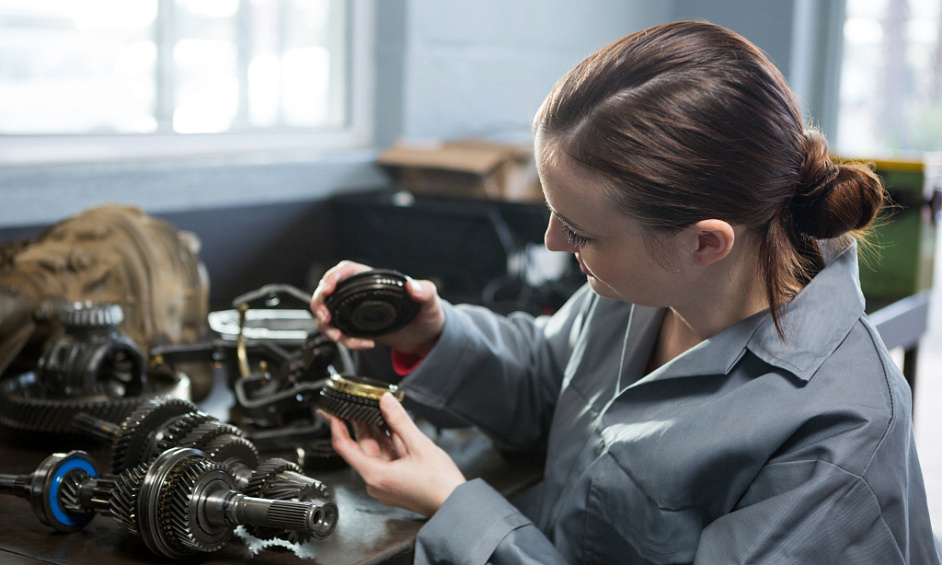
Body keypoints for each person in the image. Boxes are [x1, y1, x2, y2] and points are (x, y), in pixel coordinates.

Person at [311, 20, 942, 564]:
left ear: (704, 242)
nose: (556, 243)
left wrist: (456, 509)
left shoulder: (836, 441)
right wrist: (433, 331)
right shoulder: (641, 287)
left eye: (581, 231)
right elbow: (549, 377)